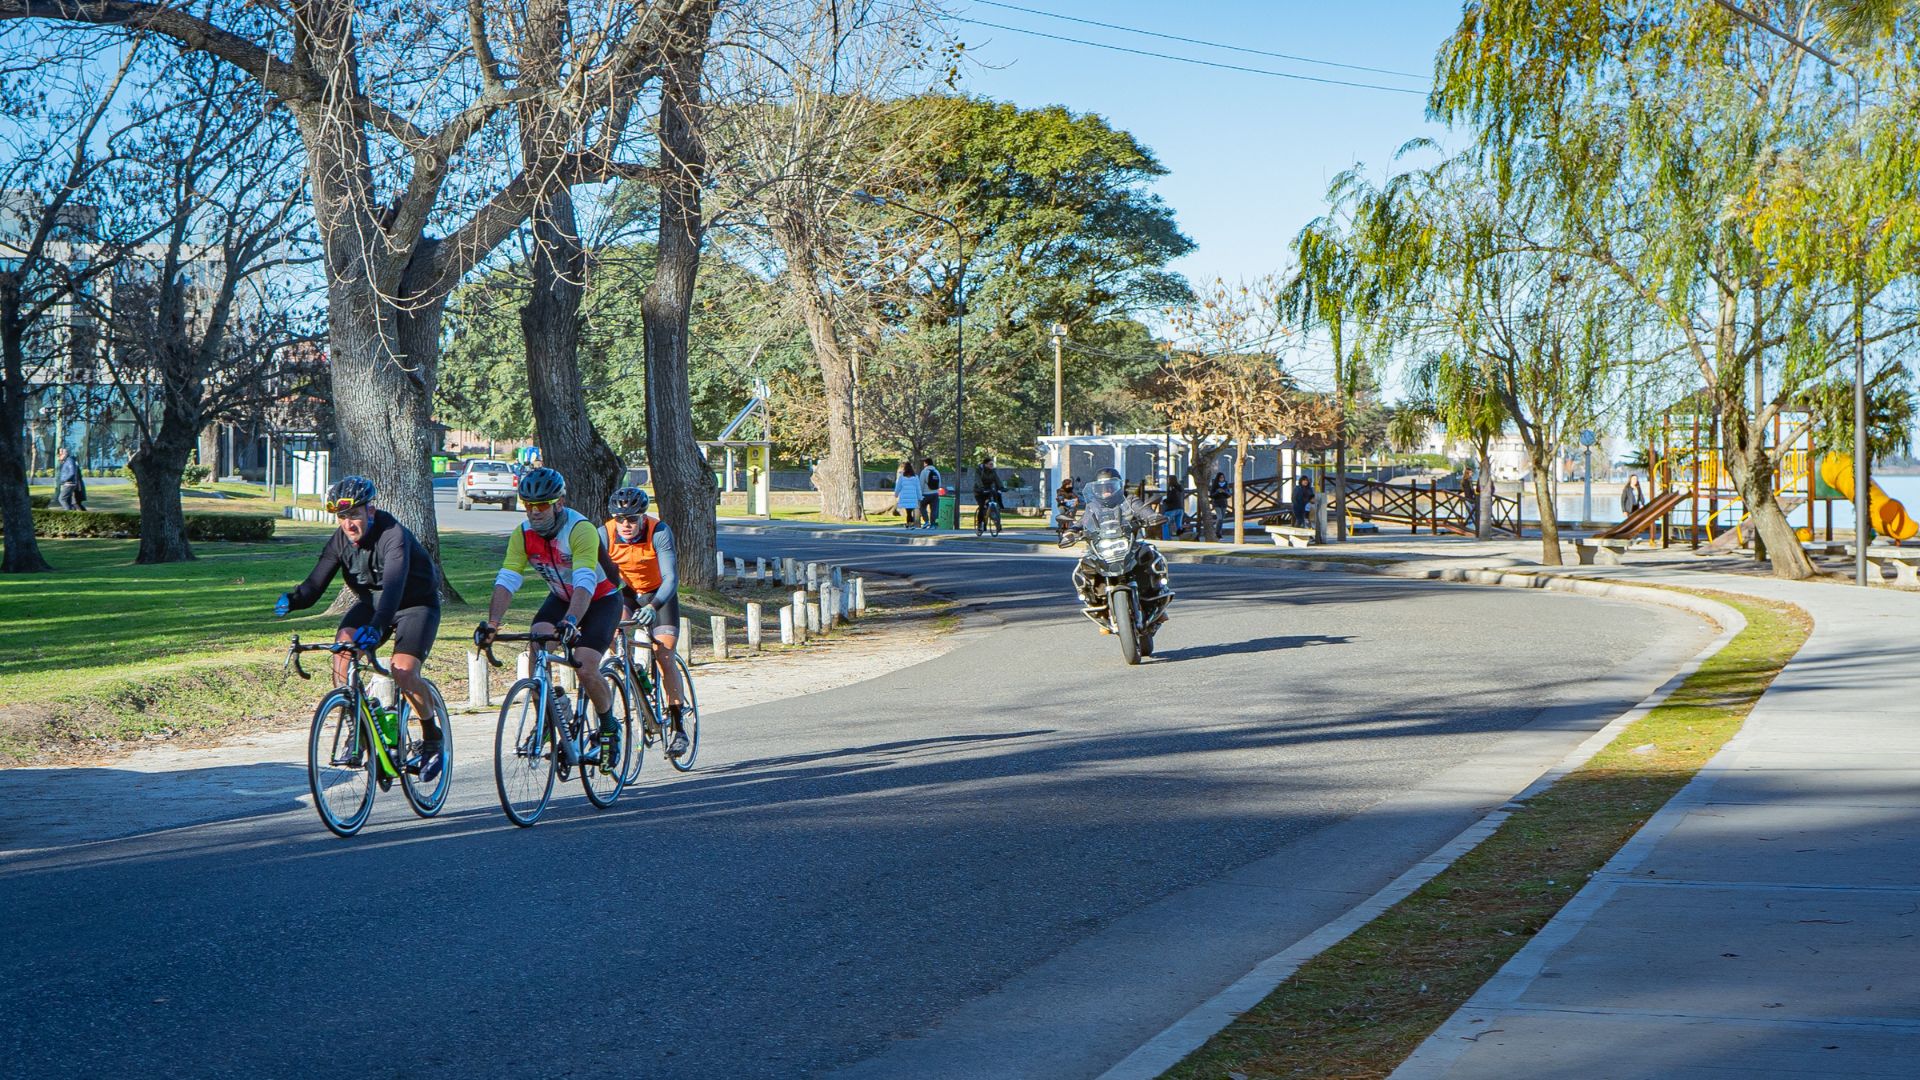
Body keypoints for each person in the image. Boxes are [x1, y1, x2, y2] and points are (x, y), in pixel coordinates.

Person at [274, 476, 445, 781]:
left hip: (414, 604)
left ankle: (433, 738)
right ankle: (361, 726)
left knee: (402, 670)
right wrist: (293, 599)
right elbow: (315, 585)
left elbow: (393, 587)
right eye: (342, 517)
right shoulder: (340, 540)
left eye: (354, 515)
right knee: (342, 648)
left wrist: (378, 628)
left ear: (371, 510)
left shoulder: (393, 536)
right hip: (372, 604)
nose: (348, 524)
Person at [474, 467, 625, 766]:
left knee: (584, 664)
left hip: (600, 599)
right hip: (560, 597)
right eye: (528, 505)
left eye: (541, 505)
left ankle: (609, 727)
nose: (534, 512)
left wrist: (570, 622)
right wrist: (492, 624)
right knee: (537, 646)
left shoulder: (579, 529)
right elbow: (507, 579)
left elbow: (585, 581)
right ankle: (549, 715)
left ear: (558, 503)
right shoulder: (523, 534)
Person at [600, 486, 689, 757]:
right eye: (620, 519)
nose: (626, 525)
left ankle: (677, 725)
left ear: (642, 517)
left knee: (663, 654)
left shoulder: (658, 531)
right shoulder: (604, 534)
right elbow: (598, 576)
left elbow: (671, 578)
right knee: (614, 636)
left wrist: (653, 606)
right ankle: (632, 672)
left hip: (658, 594)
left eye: (632, 519)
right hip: (625, 594)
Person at [973, 456, 1003, 532]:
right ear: (985, 464)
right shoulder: (979, 470)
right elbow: (978, 480)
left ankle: (997, 523)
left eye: (992, 464)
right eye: (990, 464)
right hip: (979, 491)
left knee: (994, 503)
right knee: (982, 506)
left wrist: (1001, 487)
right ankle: (980, 524)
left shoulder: (992, 471)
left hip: (988, 489)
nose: (991, 466)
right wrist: (981, 487)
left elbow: (997, 479)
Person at [894, 462, 922, 527]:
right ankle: (910, 523)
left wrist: (896, 494)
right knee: (910, 511)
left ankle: (909, 523)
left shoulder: (902, 477)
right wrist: (919, 497)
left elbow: (898, 486)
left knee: (908, 512)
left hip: (905, 496)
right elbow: (918, 488)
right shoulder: (915, 477)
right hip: (913, 496)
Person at [918, 458, 942, 529]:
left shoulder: (924, 471)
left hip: (925, 494)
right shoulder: (936, 471)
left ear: (926, 463)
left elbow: (921, 484)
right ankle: (933, 524)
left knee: (922, 507)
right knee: (934, 509)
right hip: (935, 494)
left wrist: (920, 494)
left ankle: (926, 521)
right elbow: (939, 484)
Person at [1208, 471, 1231, 538]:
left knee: (1222, 519)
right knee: (1220, 518)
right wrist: (1217, 492)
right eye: (1220, 477)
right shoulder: (1215, 484)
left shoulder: (1226, 484)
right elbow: (1211, 495)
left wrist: (1224, 492)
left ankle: (1219, 532)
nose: (1222, 479)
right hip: (1216, 502)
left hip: (1224, 503)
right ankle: (1217, 532)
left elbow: (1229, 494)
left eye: (1223, 477)